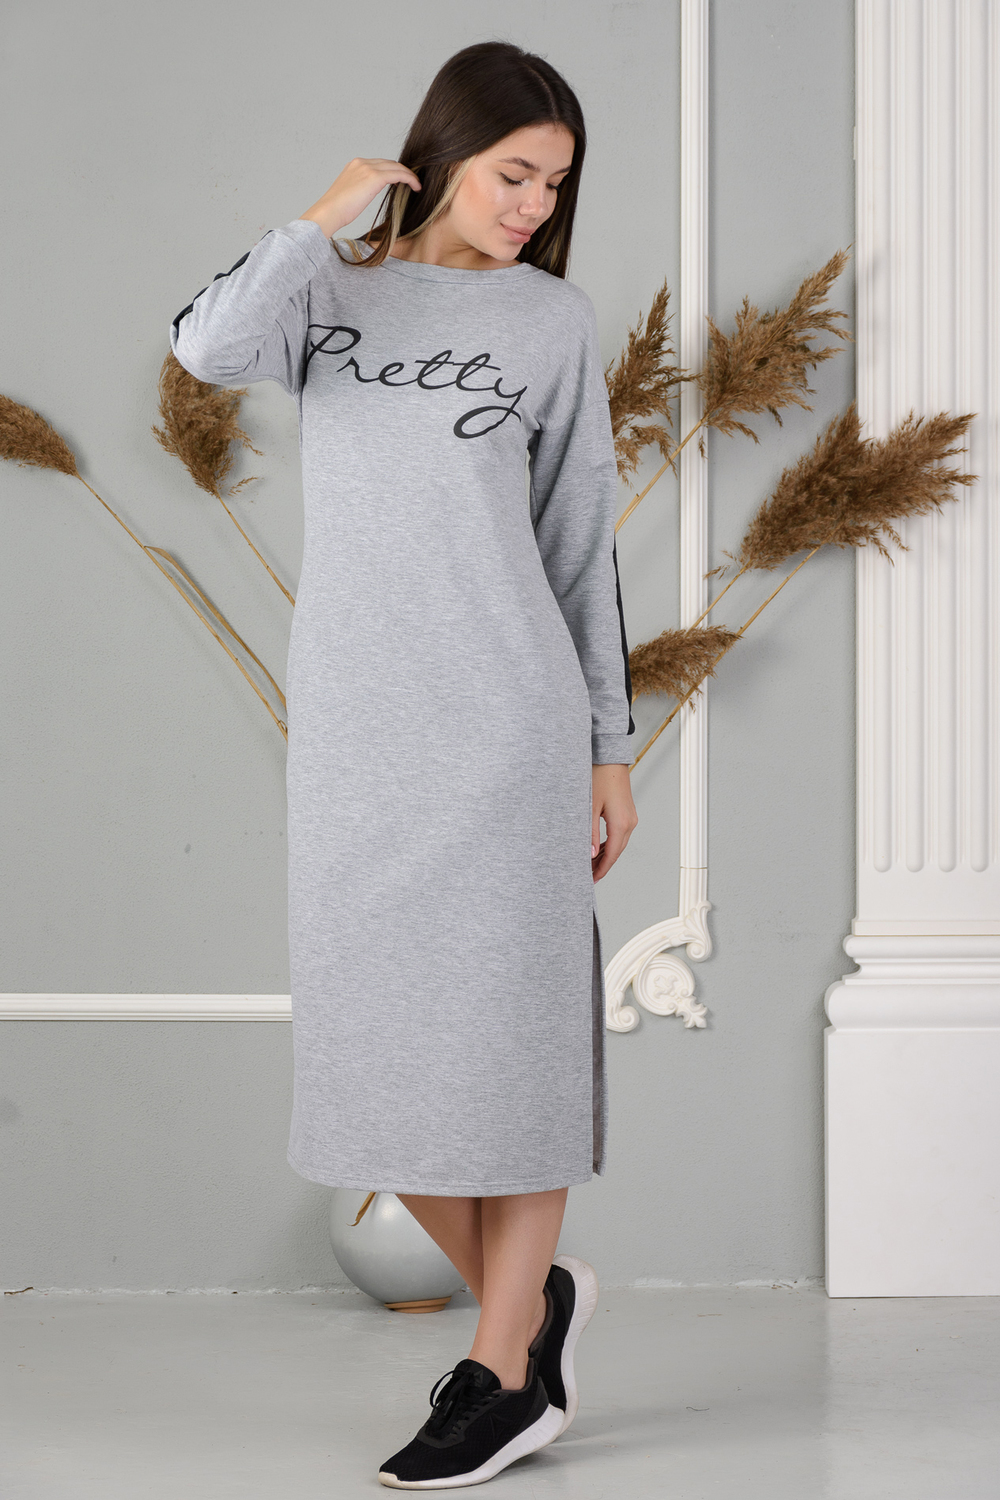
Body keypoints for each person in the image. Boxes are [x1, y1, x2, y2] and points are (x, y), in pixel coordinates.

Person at [169, 38, 638, 1490]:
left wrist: (607, 751)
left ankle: (501, 1375)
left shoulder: (552, 323)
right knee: (371, 1064)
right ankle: (535, 1305)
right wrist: (322, 216)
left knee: (517, 1046)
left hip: (510, 727)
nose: (532, 205)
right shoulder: (330, 292)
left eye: (554, 184)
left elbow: (579, 551)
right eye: (513, 174)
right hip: (358, 736)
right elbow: (202, 350)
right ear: (440, 155)